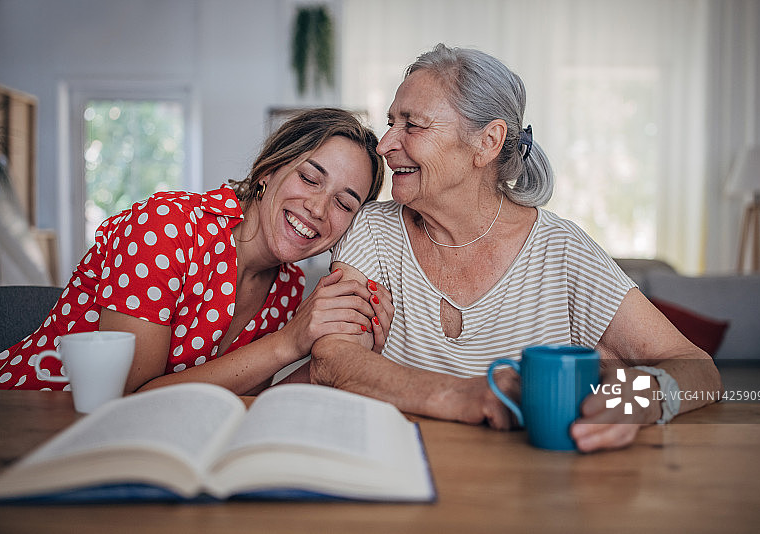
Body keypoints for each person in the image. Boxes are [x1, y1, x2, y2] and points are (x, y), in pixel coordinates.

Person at [309, 45, 722, 452]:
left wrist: (631, 401)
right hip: (393, 477)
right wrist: (461, 396)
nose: (384, 145)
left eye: (412, 125)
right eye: (391, 122)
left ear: (488, 142)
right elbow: (333, 358)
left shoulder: (562, 251)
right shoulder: (371, 230)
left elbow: (696, 367)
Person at [0, 108, 392, 394]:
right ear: (269, 171)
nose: (319, 209)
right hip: (30, 418)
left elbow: (238, 400)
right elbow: (132, 401)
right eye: (309, 178)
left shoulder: (287, 287)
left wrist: (338, 358)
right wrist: (291, 340)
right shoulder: (166, 227)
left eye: (345, 203)